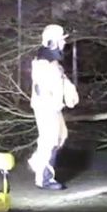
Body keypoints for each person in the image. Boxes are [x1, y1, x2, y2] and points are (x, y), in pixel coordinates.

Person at [28, 23, 79, 190]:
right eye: (61, 40)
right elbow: (41, 88)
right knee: (49, 140)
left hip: (53, 107)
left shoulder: (53, 62)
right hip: (46, 107)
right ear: (52, 42)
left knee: (60, 136)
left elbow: (61, 78)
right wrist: (52, 104)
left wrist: (69, 90)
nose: (64, 43)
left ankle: (38, 163)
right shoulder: (43, 63)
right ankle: (44, 177)